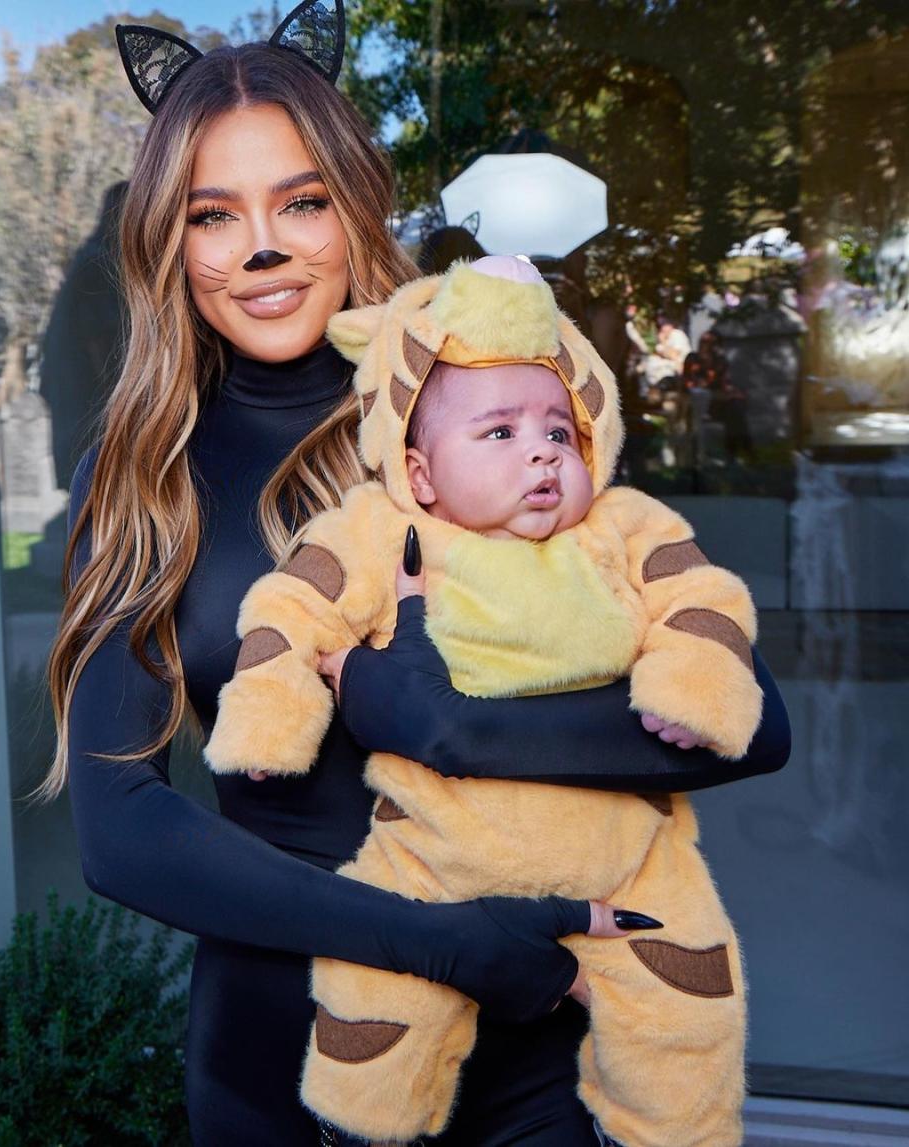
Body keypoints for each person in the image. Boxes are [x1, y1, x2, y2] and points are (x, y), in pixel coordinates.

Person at [45, 11, 790, 1146]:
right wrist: (447, 942)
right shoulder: (144, 475)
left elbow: (753, 722)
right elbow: (123, 832)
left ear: (355, 205)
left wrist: (438, 723)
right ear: (171, 241)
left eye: (300, 201)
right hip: (277, 1063)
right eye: (213, 214)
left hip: (527, 1055)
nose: (260, 247)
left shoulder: (480, 413)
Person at [209, 255, 758, 1146]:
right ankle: (366, 1119)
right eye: (498, 433)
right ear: (419, 473)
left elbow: (707, 599)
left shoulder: (622, 528)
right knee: (372, 996)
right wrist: (272, 715)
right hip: (436, 848)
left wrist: (691, 685)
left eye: (558, 429)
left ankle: (680, 1130)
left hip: (628, 857)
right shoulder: (386, 531)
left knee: (689, 1003)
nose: (542, 450)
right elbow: (291, 609)